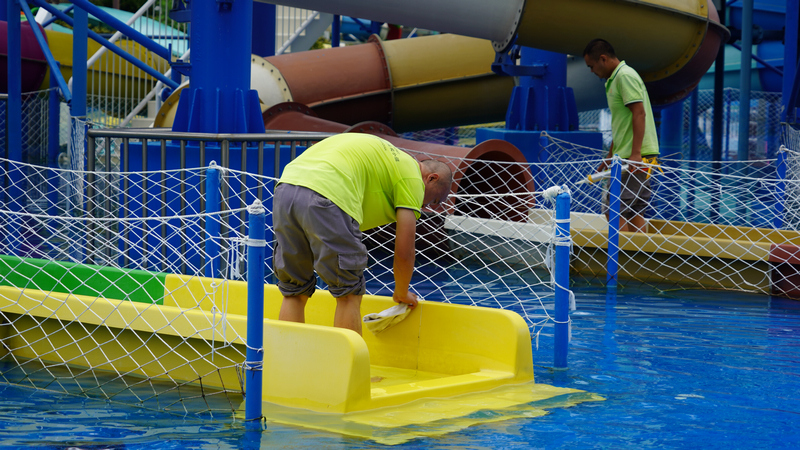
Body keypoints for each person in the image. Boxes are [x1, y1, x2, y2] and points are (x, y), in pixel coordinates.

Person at [273, 133, 453, 335]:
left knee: (294, 290)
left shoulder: (390, 161)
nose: (426, 206)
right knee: (349, 293)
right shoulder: (412, 176)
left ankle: (289, 363)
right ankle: (346, 366)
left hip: (286, 189)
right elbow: (404, 249)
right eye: (434, 200)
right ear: (431, 178)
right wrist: (401, 292)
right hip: (328, 193)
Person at [583, 38, 660, 233]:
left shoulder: (624, 76)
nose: (591, 72)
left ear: (603, 59)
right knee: (633, 212)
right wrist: (610, 156)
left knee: (614, 209)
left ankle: (622, 262)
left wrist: (635, 155)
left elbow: (639, 113)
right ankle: (641, 259)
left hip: (633, 158)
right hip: (632, 156)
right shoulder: (615, 79)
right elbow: (622, 124)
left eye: (591, 66)